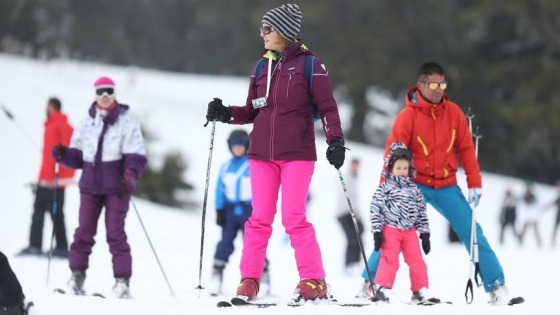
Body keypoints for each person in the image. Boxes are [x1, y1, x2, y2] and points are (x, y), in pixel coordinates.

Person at [205, 4, 345, 302]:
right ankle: (249, 280)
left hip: (297, 153)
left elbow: (328, 107)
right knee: (258, 219)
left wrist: (335, 140)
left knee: (294, 218)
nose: (262, 34)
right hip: (261, 155)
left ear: (283, 32)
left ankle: (313, 280)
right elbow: (251, 110)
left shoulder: (310, 64)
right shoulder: (260, 67)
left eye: (267, 29)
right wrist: (225, 113)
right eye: (262, 29)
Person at [359, 62, 508, 305]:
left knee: (471, 230)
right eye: (433, 84)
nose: (439, 89)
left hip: (446, 184)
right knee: (394, 231)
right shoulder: (408, 116)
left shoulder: (454, 113)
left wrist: (475, 182)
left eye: (442, 84)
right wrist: (387, 189)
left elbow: (466, 150)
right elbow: (392, 152)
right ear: (421, 86)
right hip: (413, 185)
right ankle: (369, 283)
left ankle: (496, 285)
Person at [52, 76, 147, 299]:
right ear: (95, 95)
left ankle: (122, 282)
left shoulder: (127, 121)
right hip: (90, 186)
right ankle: (76, 277)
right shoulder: (86, 122)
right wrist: (64, 155)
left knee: (115, 234)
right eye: (100, 92)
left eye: (109, 92)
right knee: (83, 232)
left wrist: (130, 175)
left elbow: (136, 154)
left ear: (114, 94)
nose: (105, 97)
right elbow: (78, 157)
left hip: (117, 187)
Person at [369, 142, 436, 304]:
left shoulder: (414, 189)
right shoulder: (385, 188)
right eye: (398, 168)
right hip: (390, 229)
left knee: (416, 260)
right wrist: (377, 231)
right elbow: (375, 209)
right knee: (390, 259)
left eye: (405, 168)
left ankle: (420, 290)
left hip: (409, 232)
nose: (402, 172)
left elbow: (421, 212)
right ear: (390, 168)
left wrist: (425, 233)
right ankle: (382, 289)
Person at [209, 129, 270, 296]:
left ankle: (263, 276)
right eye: (234, 144)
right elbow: (219, 189)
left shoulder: (253, 164)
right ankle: (217, 274)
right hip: (229, 210)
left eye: (241, 144)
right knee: (225, 242)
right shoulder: (226, 166)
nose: (237, 147)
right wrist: (219, 209)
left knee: (254, 243)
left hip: (249, 210)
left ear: (247, 145)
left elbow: (263, 187)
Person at [18, 98, 75, 258]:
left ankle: (35, 245)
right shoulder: (68, 127)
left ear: (52, 107)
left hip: (51, 180)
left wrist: (48, 179)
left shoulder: (53, 126)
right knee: (57, 213)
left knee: (39, 211)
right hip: (62, 179)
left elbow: (52, 155)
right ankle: (62, 246)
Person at [336, 158, 364, 274]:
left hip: (353, 213)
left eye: (357, 165)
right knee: (352, 238)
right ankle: (349, 264)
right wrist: (351, 212)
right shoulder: (346, 178)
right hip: (344, 213)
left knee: (359, 234)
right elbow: (344, 197)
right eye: (354, 165)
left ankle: (356, 263)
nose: (355, 167)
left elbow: (355, 200)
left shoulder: (354, 178)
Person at [518, 182, 542, 247]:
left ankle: (539, 243)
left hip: (533, 216)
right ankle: (520, 241)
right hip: (528, 216)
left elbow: (536, 204)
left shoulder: (534, 197)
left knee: (536, 231)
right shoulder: (524, 196)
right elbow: (521, 201)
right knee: (524, 230)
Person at [549, 183, 560, 247]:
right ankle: (553, 241)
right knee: (555, 229)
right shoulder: (558, 199)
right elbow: (551, 204)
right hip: (558, 216)